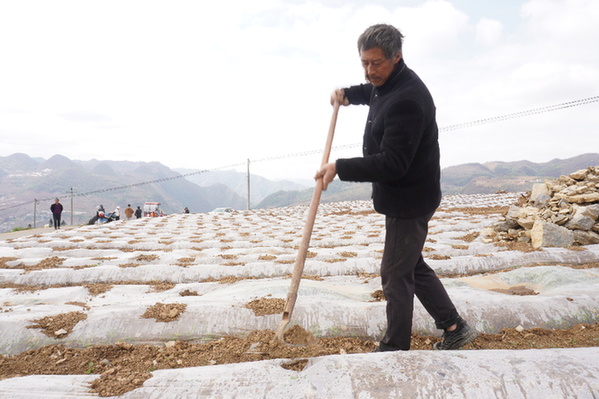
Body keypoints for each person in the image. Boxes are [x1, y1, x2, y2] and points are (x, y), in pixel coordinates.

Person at [315, 24, 477, 351]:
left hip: (410, 199)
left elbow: (393, 163)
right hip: (403, 195)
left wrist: (339, 168)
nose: (370, 70)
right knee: (410, 264)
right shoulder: (386, 81)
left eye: (376, 63)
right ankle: (454, 326)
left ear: (396, 56)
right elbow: (373, 90)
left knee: (394, 273)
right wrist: (348, 94)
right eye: (364, 63)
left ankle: (395, 348)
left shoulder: (409, 100)